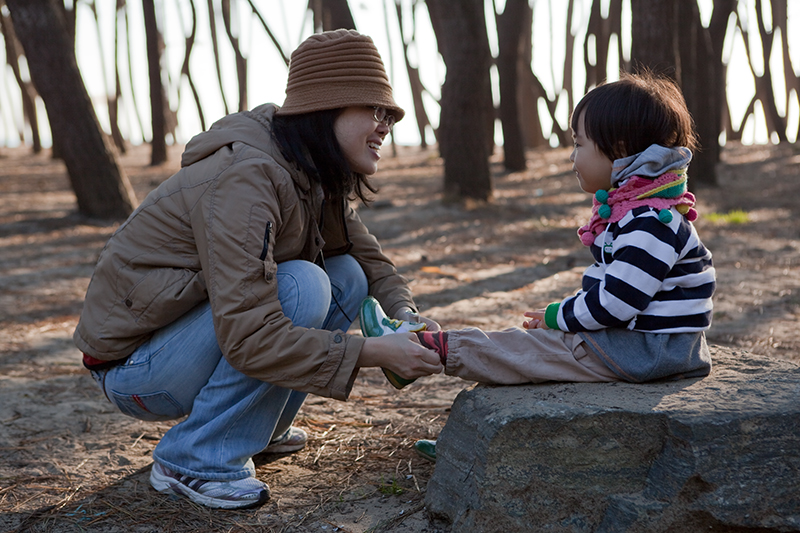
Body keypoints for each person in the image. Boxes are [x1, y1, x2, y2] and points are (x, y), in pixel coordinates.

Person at [73, 29, 443, 510]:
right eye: (375, 110)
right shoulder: (246, 177)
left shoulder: (308, 169)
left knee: (345, 275)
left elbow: (367, 259)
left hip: (181, 346)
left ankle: (256, 429)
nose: (386, 124)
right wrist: (374, 352)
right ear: (328, 107)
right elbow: (250, 336)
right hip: (133, 370)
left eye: (389, 114)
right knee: (305, 284)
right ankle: (194, 459)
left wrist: (406, 314)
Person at [361, 71, 716, 393]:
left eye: (579, 144)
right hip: (644, 347)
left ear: (620, 152)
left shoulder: (650, 222)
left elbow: (617, 302)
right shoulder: (641, 213)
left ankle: (424, 349)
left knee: (526, 350)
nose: (572, 156)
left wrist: (557, 316)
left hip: (645, 352)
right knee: (533, 351)